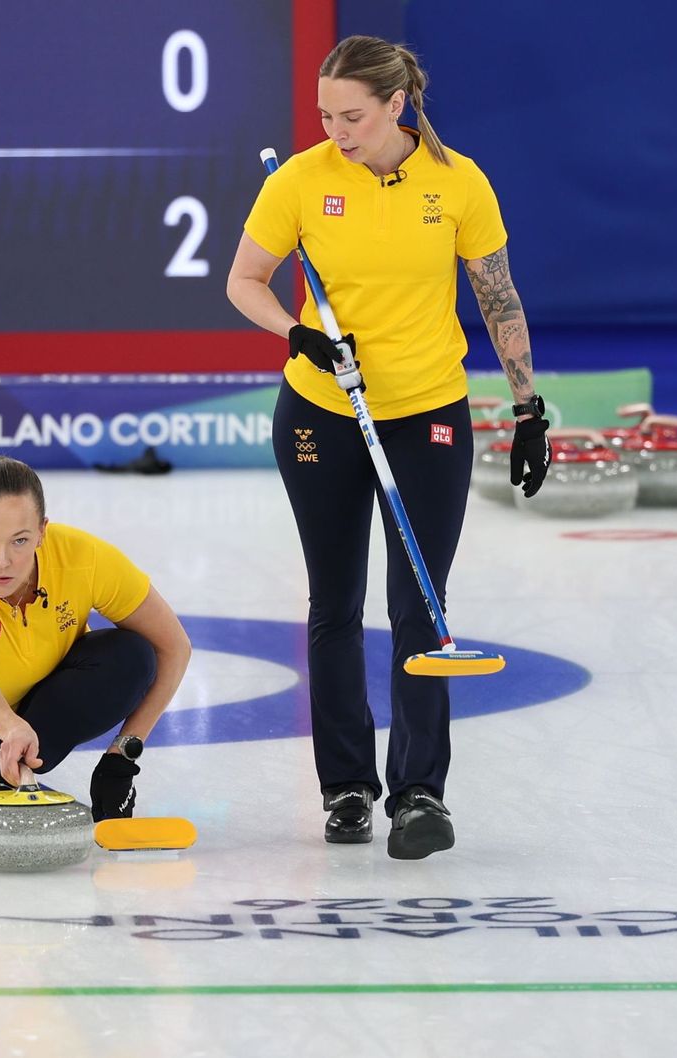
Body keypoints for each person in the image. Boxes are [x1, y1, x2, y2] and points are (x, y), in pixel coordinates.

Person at [225, 36, 549, 860]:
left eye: (354, 116)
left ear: (397, 105)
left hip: (426, 412)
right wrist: (299, 335)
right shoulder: (299, 180)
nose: (337, 130)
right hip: (322, 411)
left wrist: (528, 408)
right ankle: (344, 789)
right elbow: (245, 281)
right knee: (335, 604)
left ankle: (420, 796)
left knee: (420, 607)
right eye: (326, 115)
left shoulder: (458, 182)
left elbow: (499, 297)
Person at [0, 455, 192, 820]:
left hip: (25, 728)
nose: (1, 561)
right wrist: (10, 727)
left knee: (133, 655)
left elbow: (173, 647)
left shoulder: (82, 558)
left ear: (42, 530)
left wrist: (123, 758)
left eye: (20, 541)